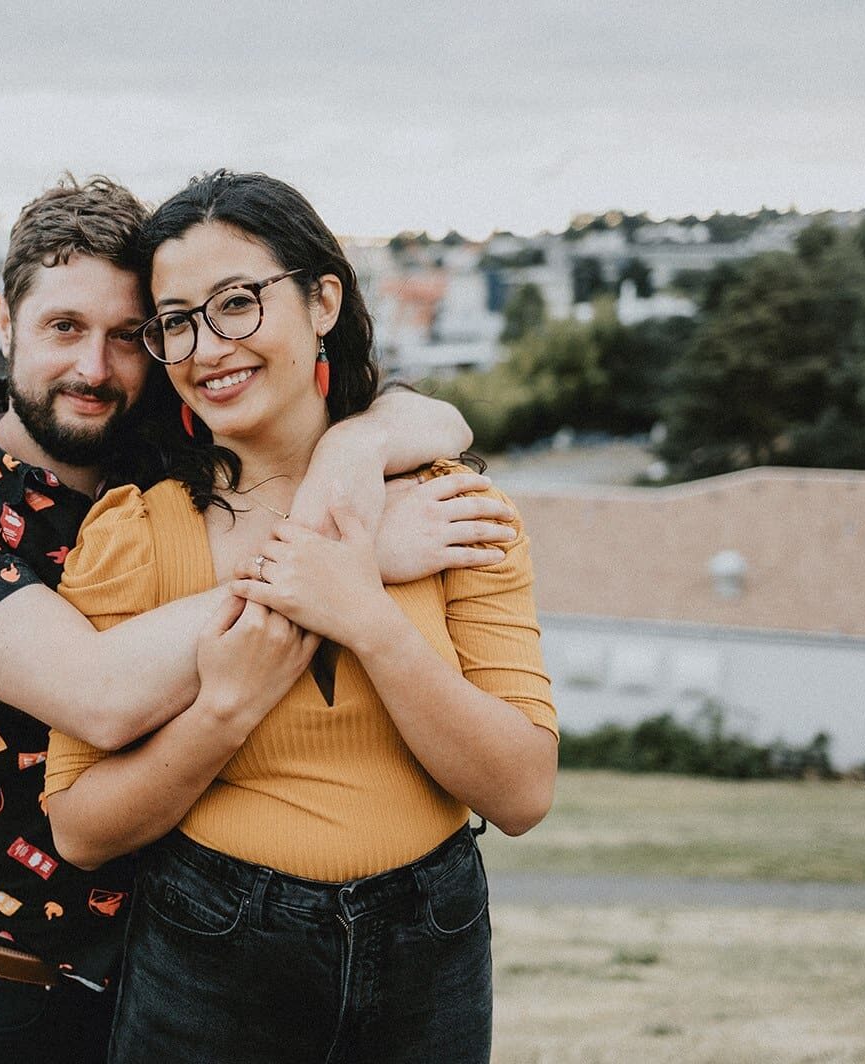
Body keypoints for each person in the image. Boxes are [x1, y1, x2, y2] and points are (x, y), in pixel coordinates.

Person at [0, 174, 516, 1064]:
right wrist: (343, 558)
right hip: (16, 988)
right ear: (4, 319)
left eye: (131, 336)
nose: (94, 368)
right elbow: (95, 695)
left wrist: (358, 445)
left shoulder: (163, 449)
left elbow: (421, 411)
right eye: (63, 327)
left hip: (199, 953)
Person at [42, 171, 559, 1064]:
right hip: (207, 951)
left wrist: (366, 615)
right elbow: (81, 827)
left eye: (236, 303)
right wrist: (222, 712)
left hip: (427, 948)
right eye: (175, 321)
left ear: (323, 299)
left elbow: (520, 792)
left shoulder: (448, 507)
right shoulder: (133, 533)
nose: (207, 348)